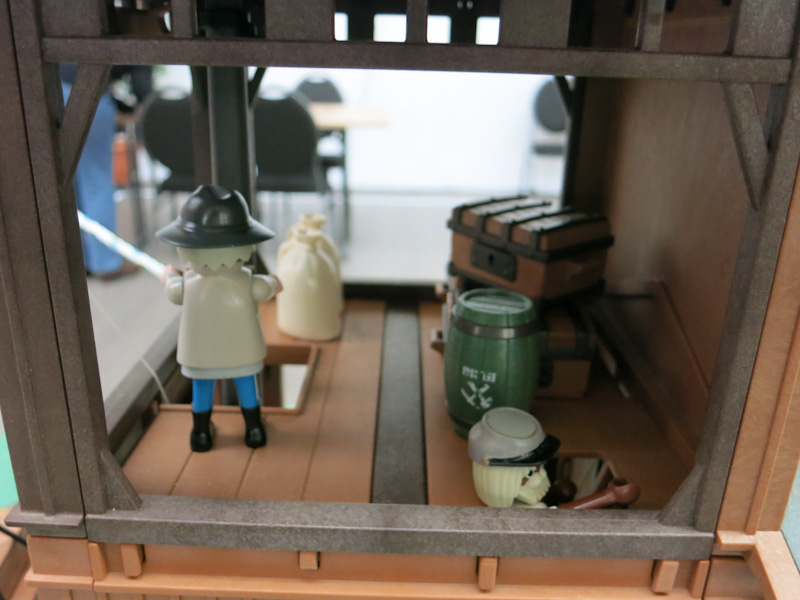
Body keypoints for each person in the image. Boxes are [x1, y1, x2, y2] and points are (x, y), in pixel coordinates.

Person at [157, 185, 281, 452]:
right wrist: (275, 281)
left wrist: (170, 274)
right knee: (247, 387)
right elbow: (267, 287)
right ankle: (254, 430)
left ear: (187, 247)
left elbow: (172, 289)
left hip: (200, 355)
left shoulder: (188, 284)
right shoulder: (246, 280)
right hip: (243, 354)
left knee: (202, 389)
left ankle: (200, 434)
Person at [60, 65, 151, 280]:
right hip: (86, 95)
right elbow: (142, 86)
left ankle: (81, 260)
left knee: (70, 183)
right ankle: (106, 264)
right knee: (96, 184)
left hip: (53, 92)